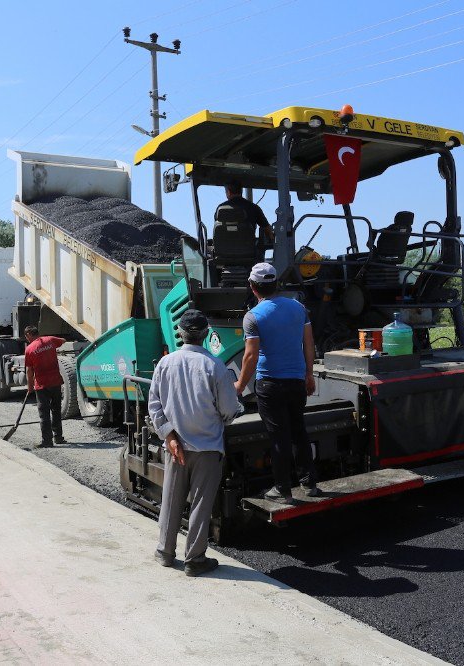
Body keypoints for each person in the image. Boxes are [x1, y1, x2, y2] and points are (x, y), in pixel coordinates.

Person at [149, 309, 239, 577]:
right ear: (206, 333)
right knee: (200, 503)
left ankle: (165, 552)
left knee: (171, 500)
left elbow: (154, 404)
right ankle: (195, 559)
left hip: (176, 446)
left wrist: (169, 434)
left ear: (181, 333)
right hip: (208, 446)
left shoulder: (165, 363)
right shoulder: (215, 366)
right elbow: (229, 409)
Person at [234, 263, 319, 504]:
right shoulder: (298, 308)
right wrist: (309, 374)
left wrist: (240, 385)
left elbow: (250, 356)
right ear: (277, 284)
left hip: (270, 383)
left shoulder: (253, 316)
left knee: (279, 435)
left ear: (252, 287)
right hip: (296, 381)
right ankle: (309, 482)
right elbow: (309, 343)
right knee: (298, 430)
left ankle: (282, 489)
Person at [23, 325, 67, 448]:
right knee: (56, 411)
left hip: (42, 386)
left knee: (44, 414)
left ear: (28, 335)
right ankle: (58, 437)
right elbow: (63, 341)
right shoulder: (50, 340)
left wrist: (30, 386)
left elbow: (29, 371)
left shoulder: (29, 349)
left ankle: (47, 441)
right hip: (56, 382)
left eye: (26, 337)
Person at [215, 180, 274, 245]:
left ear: (228, 192)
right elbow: (267, 229)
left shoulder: (221, 209)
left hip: (224, 251)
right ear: (241, 191)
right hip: (249, 252)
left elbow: (218, 228)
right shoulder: (254, 208)